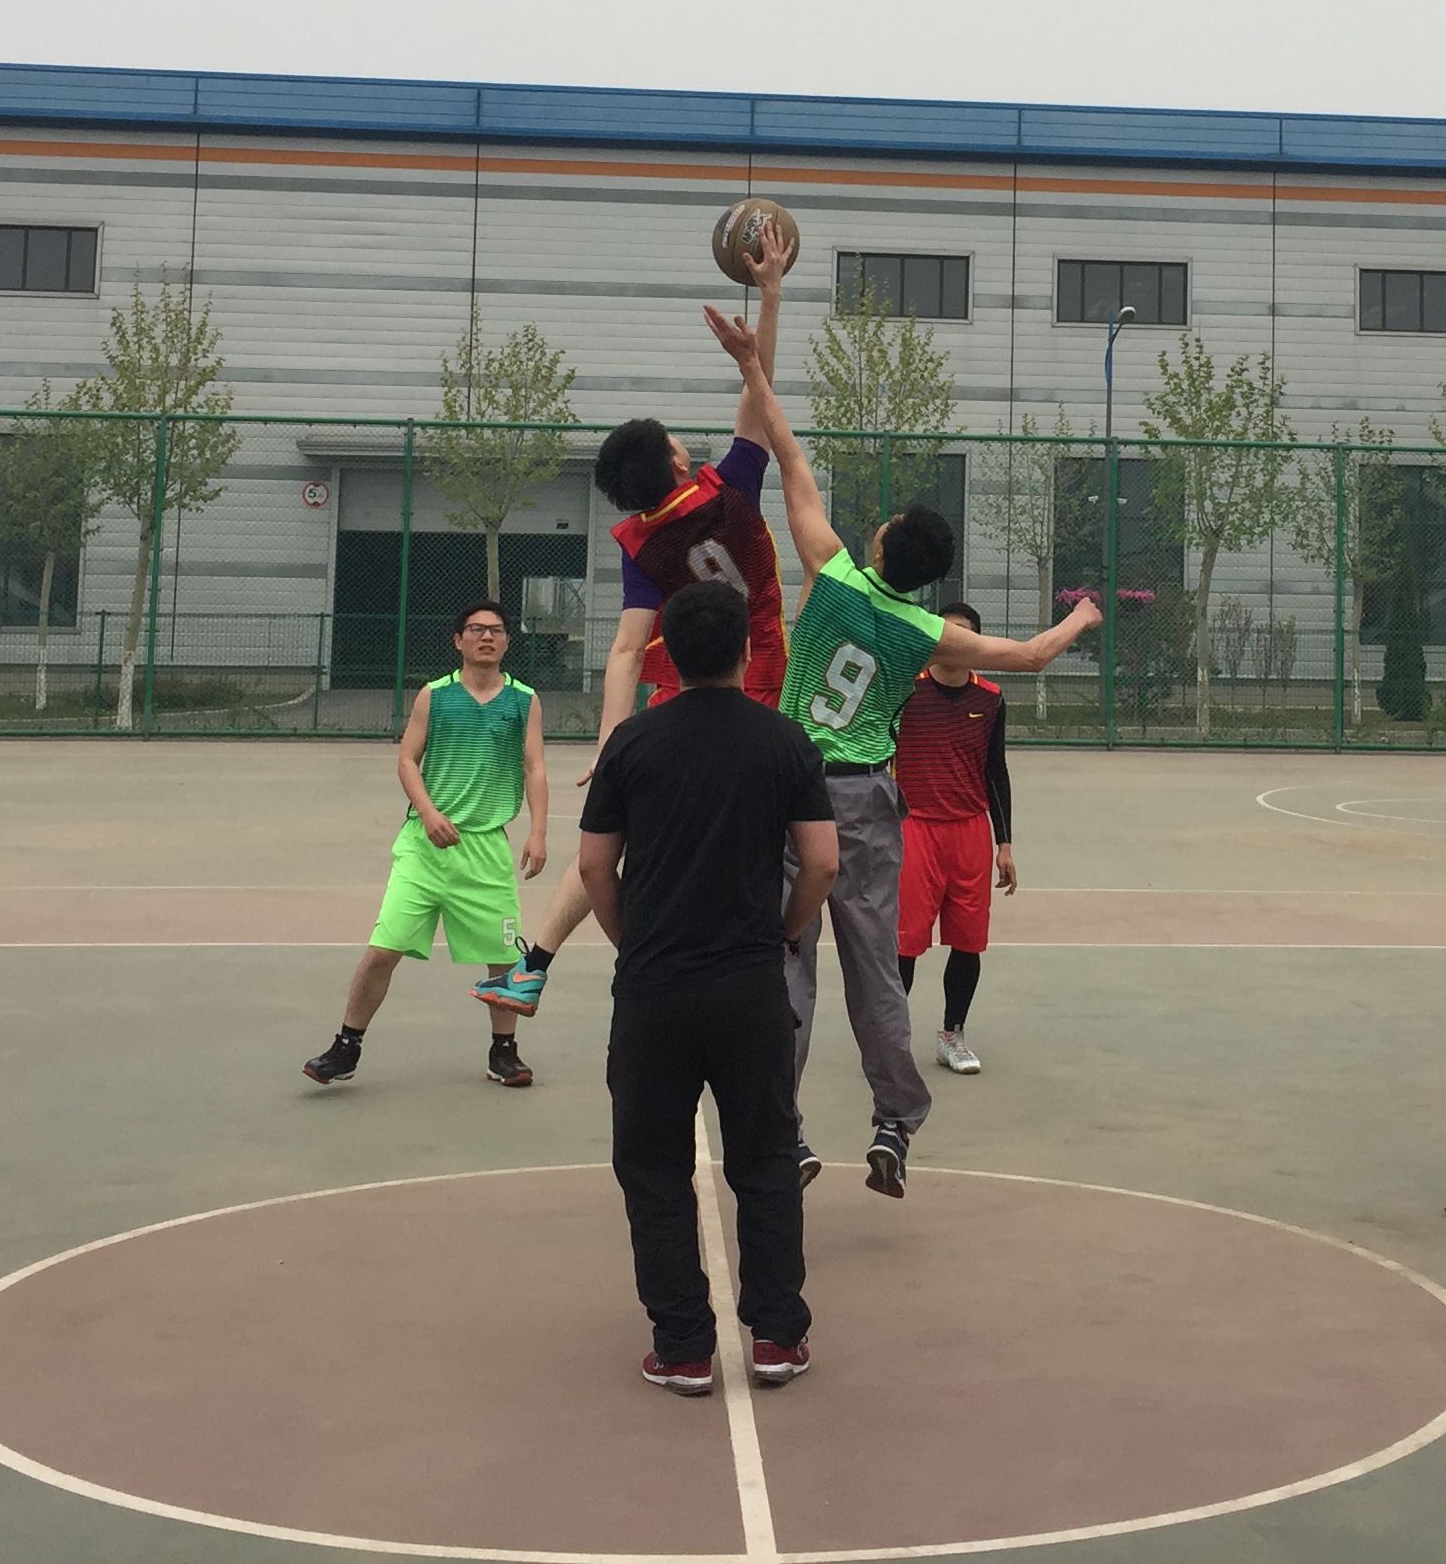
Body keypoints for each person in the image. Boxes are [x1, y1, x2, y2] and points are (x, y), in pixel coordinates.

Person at [704, 301, 1100, 1197]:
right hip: (863, 800)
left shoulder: (831, 572)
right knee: (876, 969)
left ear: (883, 541)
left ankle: (783, 1130)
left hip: (786, 789)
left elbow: (787, 453)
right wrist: (1080, 615)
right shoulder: (930, 634)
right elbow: (1031, 657)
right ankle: (892, 1120)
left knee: (785, 961)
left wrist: (752, 362)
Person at [475, 230, 796, 1023]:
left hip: (673, 691)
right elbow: (758, 395)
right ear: (678, 465)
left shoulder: (641, 543)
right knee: (766, 828)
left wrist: (611, 742)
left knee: (624, 833)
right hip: (756, 676)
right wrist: (770, 297)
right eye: (677, 440)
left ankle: (534, 963)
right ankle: (761, 964)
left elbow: (624, 647)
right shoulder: (731, 491)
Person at [576, 580, 839, 1396]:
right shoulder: (785, 741)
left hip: (654, 988)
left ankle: (684, 1345)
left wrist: (635, 943)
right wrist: (783, 931)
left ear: (669, 656)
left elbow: (594, 867)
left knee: (653, 1165)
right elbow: (822, 863)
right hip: (750, 985)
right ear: (749, 650)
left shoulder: (630, 743)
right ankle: (778, 1336)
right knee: (765, 1159)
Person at [303, 600, 550, 1090]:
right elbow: (406, 760)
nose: (486, 637)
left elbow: (534, 767)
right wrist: (430, 812)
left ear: (507, 641)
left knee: (504, 959)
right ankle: (346, 1046)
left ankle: (504, 1051)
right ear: (458, 640)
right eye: (475, 629)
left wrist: (539, 831)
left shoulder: (524, 699)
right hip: (424, 845)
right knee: (383, 949)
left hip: (485, 848)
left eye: (496, 630)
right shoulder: (434, 695)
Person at [893, 604, 1015, 1074]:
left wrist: (1004, 843)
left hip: (970, 833)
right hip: (914, 829)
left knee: (968, 942)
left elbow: (995, 772)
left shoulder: (991, 698)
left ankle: (953, 1035)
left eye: (965, 635)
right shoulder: (905, 690)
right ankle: (890, 1038)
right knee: (904, 944)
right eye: (947, 633)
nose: (954, 642)